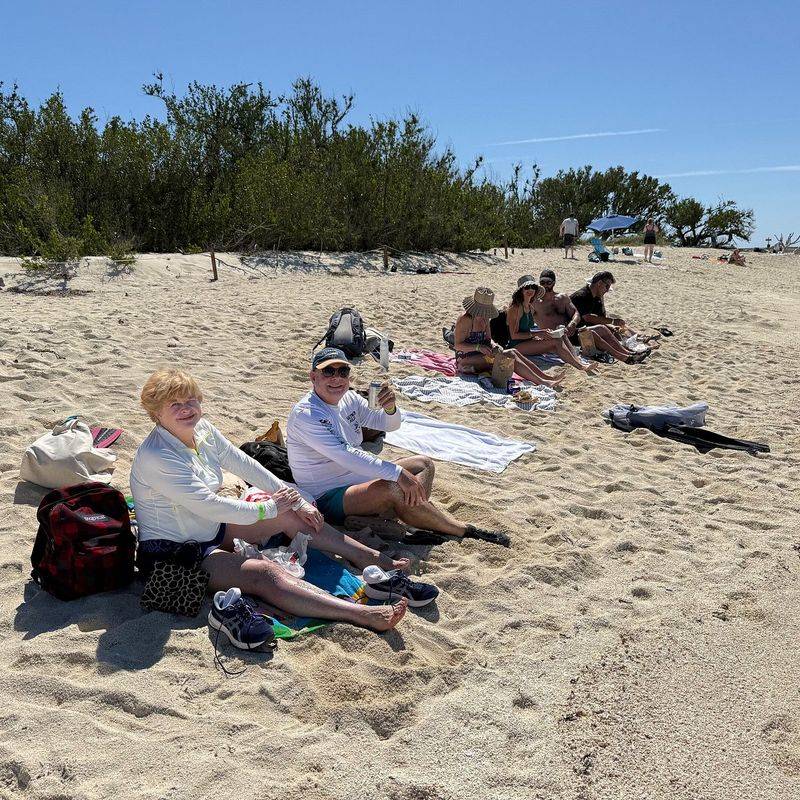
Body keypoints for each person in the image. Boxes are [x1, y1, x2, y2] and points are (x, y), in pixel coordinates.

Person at [131, 368, 411, 636]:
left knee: (295, 515)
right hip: (178, 555)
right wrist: (268, 507)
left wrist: (294, 499)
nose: (187, 408)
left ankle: (372, 558)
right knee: (265, 574)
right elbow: (209, 504)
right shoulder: (158, 455)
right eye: (175, 404)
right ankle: (359, 613)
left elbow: (243, 463)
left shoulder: (201, 430)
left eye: (191, 400)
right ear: (156, 413)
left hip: (211, 530)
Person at [286, 346, 511, 547]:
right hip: (328, 494)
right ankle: (461, 529)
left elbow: (387, 425)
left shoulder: (349, 399)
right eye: (328, 372)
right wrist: (397, 473)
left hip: (357, 479)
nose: (336, 378)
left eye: (342, 372)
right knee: (394, 486)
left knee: (423, 464)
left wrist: (391, 408)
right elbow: (345, 454)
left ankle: (400, 516)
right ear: (313, 377)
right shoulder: (308, 414)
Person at [454, 287, 564, 388]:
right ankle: (543, 382)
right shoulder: (465, 320)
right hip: (465, 360)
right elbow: (458, 345)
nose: (483, 314)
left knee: (513, 352)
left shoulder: (485, 317)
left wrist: (494, 345)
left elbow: (488, 339)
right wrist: (478, 347)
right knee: (507, 359)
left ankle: (546, 377)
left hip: (482, 354)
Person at [533, 269, 643, 364]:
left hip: (570, 332)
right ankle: (624, 358)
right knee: (591, 334)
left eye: (549, 282)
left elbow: (576, 314)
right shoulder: (535, 302)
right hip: (554, 336)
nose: (546, 285)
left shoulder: (562, 297)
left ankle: (627, 352)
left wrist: (572, 324)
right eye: (543, 282)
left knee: (602, 328)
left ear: (554, 283)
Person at [506, 275, 596, 373]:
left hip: (527, 341)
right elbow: (514, 335)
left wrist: (541, 332)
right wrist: (537, 334)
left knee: (560, 336)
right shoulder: (516, 308)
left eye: (533, 287)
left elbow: (527, 329)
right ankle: (580, 366)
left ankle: (577, 361)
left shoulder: (530, 307)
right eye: (527, 287)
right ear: (521, 290)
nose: (530, 290)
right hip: (517, 345)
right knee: (556, 342)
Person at [569, 272, 651, 364]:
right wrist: (612, 321)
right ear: (599, 283)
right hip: (571, 334)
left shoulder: (596, 297)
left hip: (583, 331)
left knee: (608, 330)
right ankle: (626, 357)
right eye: (607, 286)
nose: (607, 290)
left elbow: (600, 318)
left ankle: (629, 353)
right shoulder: (582, 296)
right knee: (600, 329)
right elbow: (588, 318)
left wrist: (612, 326)